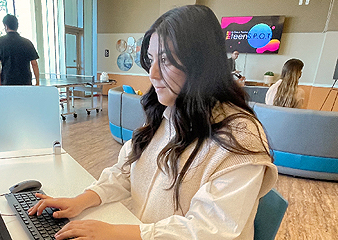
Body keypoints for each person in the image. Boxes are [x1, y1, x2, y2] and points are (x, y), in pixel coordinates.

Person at [28, 5, 278, 239]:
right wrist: (81, 200)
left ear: (201, 64)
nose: (152, 73)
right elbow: (127, 171)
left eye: (166, 60)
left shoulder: (241, 136)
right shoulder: (170, 111)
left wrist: (117, 233)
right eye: (151, 59)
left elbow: (208, 230)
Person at [0, 14, 39, 85]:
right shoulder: (27, 42)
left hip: (7, 81)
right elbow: (34, 63)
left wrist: (0, 83)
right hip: (25, 81)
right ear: (17, 26)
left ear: (5, 26)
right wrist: (37, 82)